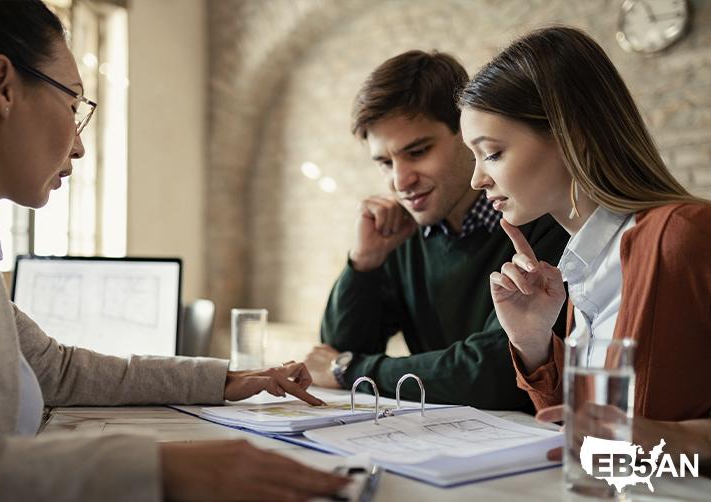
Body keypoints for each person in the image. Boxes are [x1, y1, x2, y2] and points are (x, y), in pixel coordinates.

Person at [0, 1, 349, 500]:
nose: (79, 146)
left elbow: (59, 370)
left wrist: (227, 379)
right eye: (72, 104)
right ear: (3, 84)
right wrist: (154, 469)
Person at [457, 26, 711, 466]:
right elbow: (583, 435)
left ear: (569, 135)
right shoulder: (581, 265)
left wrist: (672, 439)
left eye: (492, 153)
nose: (477, 180)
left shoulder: (683, 236)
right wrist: (533, 340)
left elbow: (634, 439)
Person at [304, 50, 569, 409]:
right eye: (384, 162)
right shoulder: (402, 234)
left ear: (467, 133)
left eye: (417, 151)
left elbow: (493, 373)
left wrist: (350, 370)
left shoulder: (542, 218)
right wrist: (363, 264)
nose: (400, 181)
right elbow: (336, 352)